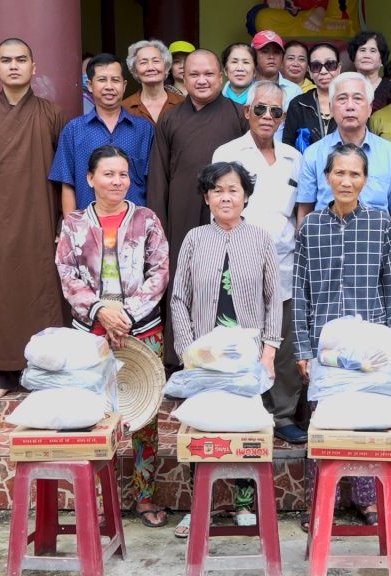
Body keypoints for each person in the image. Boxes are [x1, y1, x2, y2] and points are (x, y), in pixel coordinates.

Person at [54, 145, 171, 528]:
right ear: (90, 179)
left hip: (142, 330)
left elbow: (159, 272)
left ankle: (144, 494)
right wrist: (100, 310)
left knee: (145, 416)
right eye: (108, 174)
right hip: (91, 332)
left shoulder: (147, 220)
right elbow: (67, 273)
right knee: (94, 415)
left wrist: (128, 314)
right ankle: (99, 499)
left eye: (123, 174)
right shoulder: (74, 224)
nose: (117, 181)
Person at [293, 143, 391, 530]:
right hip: (325, 344)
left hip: (370, 337)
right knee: (323, 419)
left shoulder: (379, 223)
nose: (346, 180)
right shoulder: (311, 227)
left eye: (355, 174)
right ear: (326, 178)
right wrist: (303, 348)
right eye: (339, 173)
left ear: (365, 179)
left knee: (367, 419)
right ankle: (320, 500)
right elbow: (300, 289)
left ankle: (366, 499)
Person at [172, 161, 281, 536]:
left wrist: (268, 353)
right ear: (206, 197)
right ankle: (197, 505)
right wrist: (189, 353)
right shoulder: (194, 239)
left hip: (246, 358)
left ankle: (244, 504)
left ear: (245, 196)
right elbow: (178, 300)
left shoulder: (261, 239)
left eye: (233, 189)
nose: (225, 196)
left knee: (244, 431)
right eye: (217, 190)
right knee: (201, 429)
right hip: (204, 358)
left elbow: (273, 299)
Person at [0, 38, 67, 402]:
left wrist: (62, 223)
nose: (14, 66)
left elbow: (63, 174)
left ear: (34, 67)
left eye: (22, 59)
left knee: (44, 293)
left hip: (40, 217)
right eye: (6, 60)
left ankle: (45, 371)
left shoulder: (52, 113)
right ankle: (2, 374)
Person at [212, 81, 306, 444]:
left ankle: (283, 415)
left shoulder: (294, 158)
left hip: (285, 264)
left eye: (276, 111)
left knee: (282, 345)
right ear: (246, 112)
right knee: (243, 341)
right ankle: (247, 410)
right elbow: (217, 206)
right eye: (261, 109)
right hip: (239, 262)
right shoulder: (228, 152)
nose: (268, 117)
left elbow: (300, 213)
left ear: (283, 118)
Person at [148, 48, 248, 365]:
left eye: (208, 74)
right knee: (184, 283)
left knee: (226, 283)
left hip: (229, 219)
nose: (201, 80)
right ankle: (181, 360)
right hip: (182, 215)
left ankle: (229, 354)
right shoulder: (171, 118)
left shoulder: (238, 114)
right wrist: (159, 226)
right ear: (182, 77)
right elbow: (159, 177)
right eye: (194, 74)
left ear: (221, 77)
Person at [296, 72, 391, 251]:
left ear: (370, 108)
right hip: (326, 253)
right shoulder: (313, 154)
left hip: (377, 252)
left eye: (357, 99)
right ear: (332, 108)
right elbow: (305, 211)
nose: (350, 106)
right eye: (342, 99)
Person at [50, 53, 154, 214]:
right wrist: (71, 228)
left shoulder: (144, 130)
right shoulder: (73, 130)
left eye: (115, 80)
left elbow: (153, 183)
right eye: (102, 80)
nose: (109, 86)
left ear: (124, 85)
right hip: (88, 227)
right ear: (90, 85)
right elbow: (67, 184)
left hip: (134, 226)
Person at [281, 42, 339, 151]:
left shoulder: (352, 101)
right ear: (310, 71)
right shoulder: (298, 104)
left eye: (330, 65)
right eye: (316, 66)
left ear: (339, 68)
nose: (323, 71)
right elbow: (288, 144)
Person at [252, 29, 303, 138]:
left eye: (276, 52)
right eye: (265, 51)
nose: (271, 56)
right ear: (253, 56)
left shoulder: (294, 91)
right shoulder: (245, 88)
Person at [123, 39, 185, 126]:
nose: (150, 67)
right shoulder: (124, 108)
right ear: (135, 70)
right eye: (143, 62)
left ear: (166, 67)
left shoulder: (184, 104)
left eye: (156, 61)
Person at [348, 31, 389, 112]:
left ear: (382, 59)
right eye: (362, 50)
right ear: (354, 57)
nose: (367, 55)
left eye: (373, 51)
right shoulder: (343, 86)